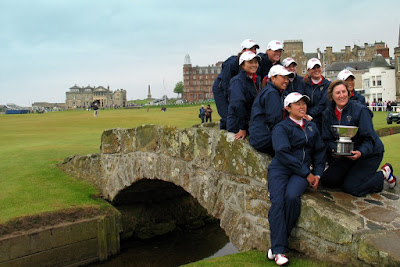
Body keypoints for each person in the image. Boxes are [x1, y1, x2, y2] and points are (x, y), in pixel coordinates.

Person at [266, 92, 326, 266]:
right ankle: (278, 251)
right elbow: (283, 153)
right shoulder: (281, 128)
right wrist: (307, 173)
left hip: (301, 172)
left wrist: (318, 174)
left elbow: (320, 151)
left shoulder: (311, 127)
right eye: (297, 104)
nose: (302, 106)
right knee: (277, 202)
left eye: (303, 103)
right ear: (288, 108)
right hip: (281, 170)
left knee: (292, 197)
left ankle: (278, 242)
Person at [321, 80, 396, 197]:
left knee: (351, 187)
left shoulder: (360, 110)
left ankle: (383, 174)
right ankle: (354, 175)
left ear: (348, 93)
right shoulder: (327, 113)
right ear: (332, 96)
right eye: (337, 93)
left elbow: (369, 138)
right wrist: (333, 150)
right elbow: (327, 139)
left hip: (369, 153)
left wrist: (361, 152)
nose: (341, 95)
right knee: (328, 180)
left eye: (344, 92)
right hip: (347, 154)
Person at [212, 39, 260, 130]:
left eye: (255, 49)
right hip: (221, 89)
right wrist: (231, 99)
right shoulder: (231, 63)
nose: (253, 51)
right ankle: (223, 134)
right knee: (228, 114)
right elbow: (225, 83)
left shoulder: (253, 66)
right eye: (250, 49)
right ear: (243, 50)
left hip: (234, 87)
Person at [249, 65, 294, 155]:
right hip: (263, 138)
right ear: (273, 78)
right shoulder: (272, 93)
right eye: (283, 77)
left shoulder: (272, 91)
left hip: (260, 136)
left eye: (287, 78)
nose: (286, 81)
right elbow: (275, 120)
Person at [227, 51, 261, 140]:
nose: (254, 65)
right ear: (242, 65)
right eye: (250, 62)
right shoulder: (237, 81)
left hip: (250, 123)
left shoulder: (256, 79)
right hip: (238, 127)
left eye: (256, 62)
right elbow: (238, 104)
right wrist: (243, 127)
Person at [303, 58, 331, 129]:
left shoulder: (328, 84)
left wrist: (310, 114)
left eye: (318, 67)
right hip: (307, 119)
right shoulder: (304, 84)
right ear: (308, 70)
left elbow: (323, 103)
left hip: (323, 120)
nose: (316, 70)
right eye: (313, 68)